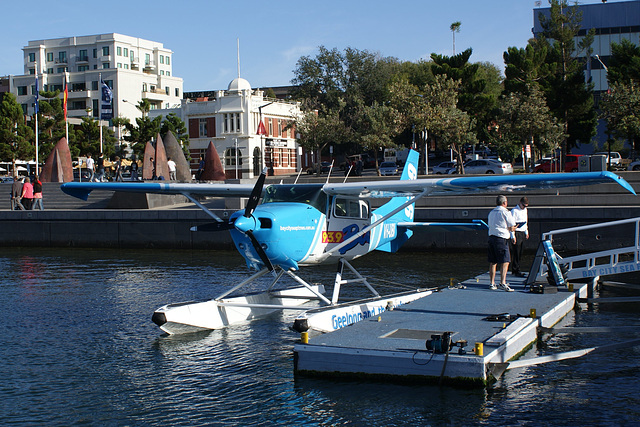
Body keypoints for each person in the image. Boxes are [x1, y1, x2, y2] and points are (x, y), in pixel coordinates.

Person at [488, 194, 516, 292]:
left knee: (493, 261)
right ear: (504, 203)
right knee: (505, 261)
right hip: (501, 238)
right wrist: (513, 229)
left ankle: (492, 283)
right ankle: (502, 282)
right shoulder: (505, 212)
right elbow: (512, 225)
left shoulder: (491, 212)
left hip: (491, 237)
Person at [510, 196, 529, 277]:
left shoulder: (525, 210)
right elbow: (511, 224)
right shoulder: (514, 211)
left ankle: (517, 268)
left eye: (526, 206)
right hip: (517, 232)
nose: (524, 207)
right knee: (516, 252)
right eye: (523, 205)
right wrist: (512, 236)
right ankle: (515, 269)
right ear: (520, 203)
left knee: (521, 251)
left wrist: (526, 232)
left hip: (522, 231)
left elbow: (526, 221)